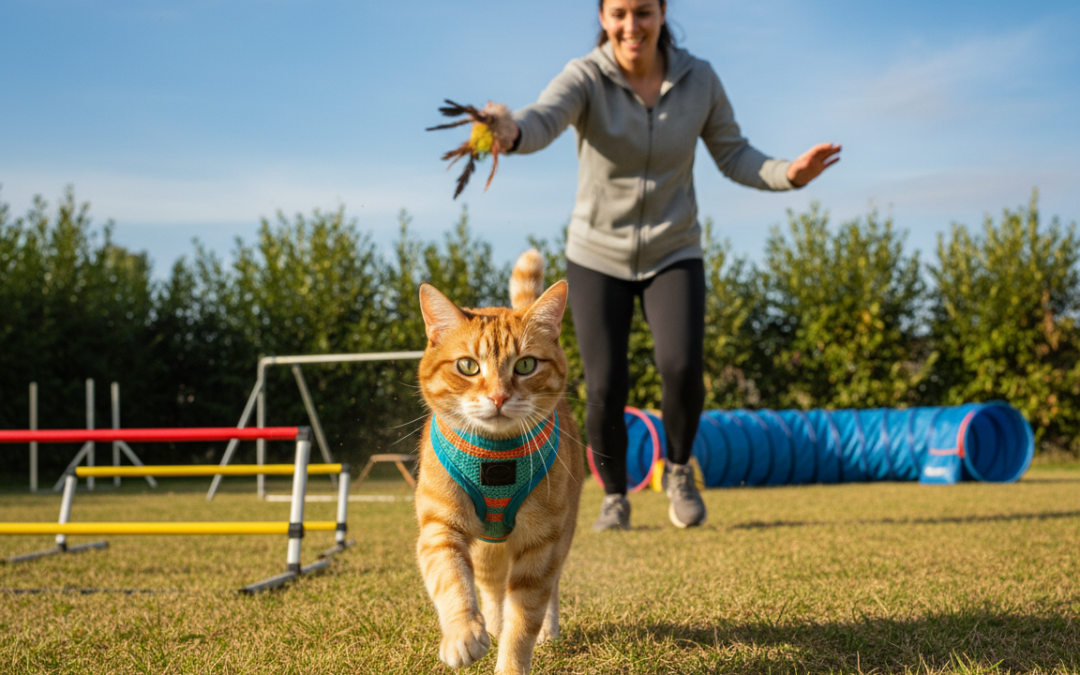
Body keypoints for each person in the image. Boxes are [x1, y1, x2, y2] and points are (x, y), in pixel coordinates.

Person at [501, 0, 840, 530]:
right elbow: (543, 118)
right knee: (607, 383)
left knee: (681, 367)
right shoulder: (585, 77)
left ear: (662, 14)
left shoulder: (698, 79)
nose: (630, 26)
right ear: (603, 17)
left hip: (674, 248)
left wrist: (788, 174)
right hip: (596, 253)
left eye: (642, 12)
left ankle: (679, 468)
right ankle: (615, 495)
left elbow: (734, 154)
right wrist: (511, 132)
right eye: (617, 14)